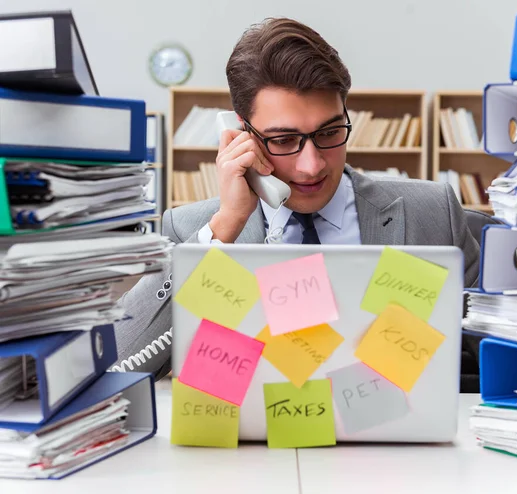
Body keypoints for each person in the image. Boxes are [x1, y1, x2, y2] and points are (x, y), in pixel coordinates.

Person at [114, 17, 481, 385]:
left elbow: (490, 363)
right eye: (284, 140)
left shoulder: (433, 213)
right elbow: (119, 366)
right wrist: (226, 226)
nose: (313, 165)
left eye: (330, 132)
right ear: (242, 134)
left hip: (395, 435)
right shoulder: (194, 231)